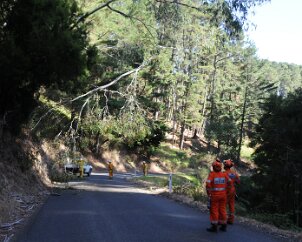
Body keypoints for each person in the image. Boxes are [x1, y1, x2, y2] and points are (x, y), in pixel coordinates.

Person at [206, 159, 231, 232]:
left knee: (214, 210)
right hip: (223, 195)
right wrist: (227, 191)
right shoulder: (224, 174)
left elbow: (208, 184)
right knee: (223, 209)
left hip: (215, 196)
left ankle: (214, 226)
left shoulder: (212, 174)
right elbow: (229, 182)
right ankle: (224, 225)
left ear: (213, 167)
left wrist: (209, 194)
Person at [223, 159, 240, 224]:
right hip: (233, 191)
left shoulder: (223, 173)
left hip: (226, 190)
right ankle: (231, 220)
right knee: (231, 204)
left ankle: (223, 219)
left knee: (223, 204)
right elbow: (238, 182)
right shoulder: (234, 173)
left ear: (225, 166)